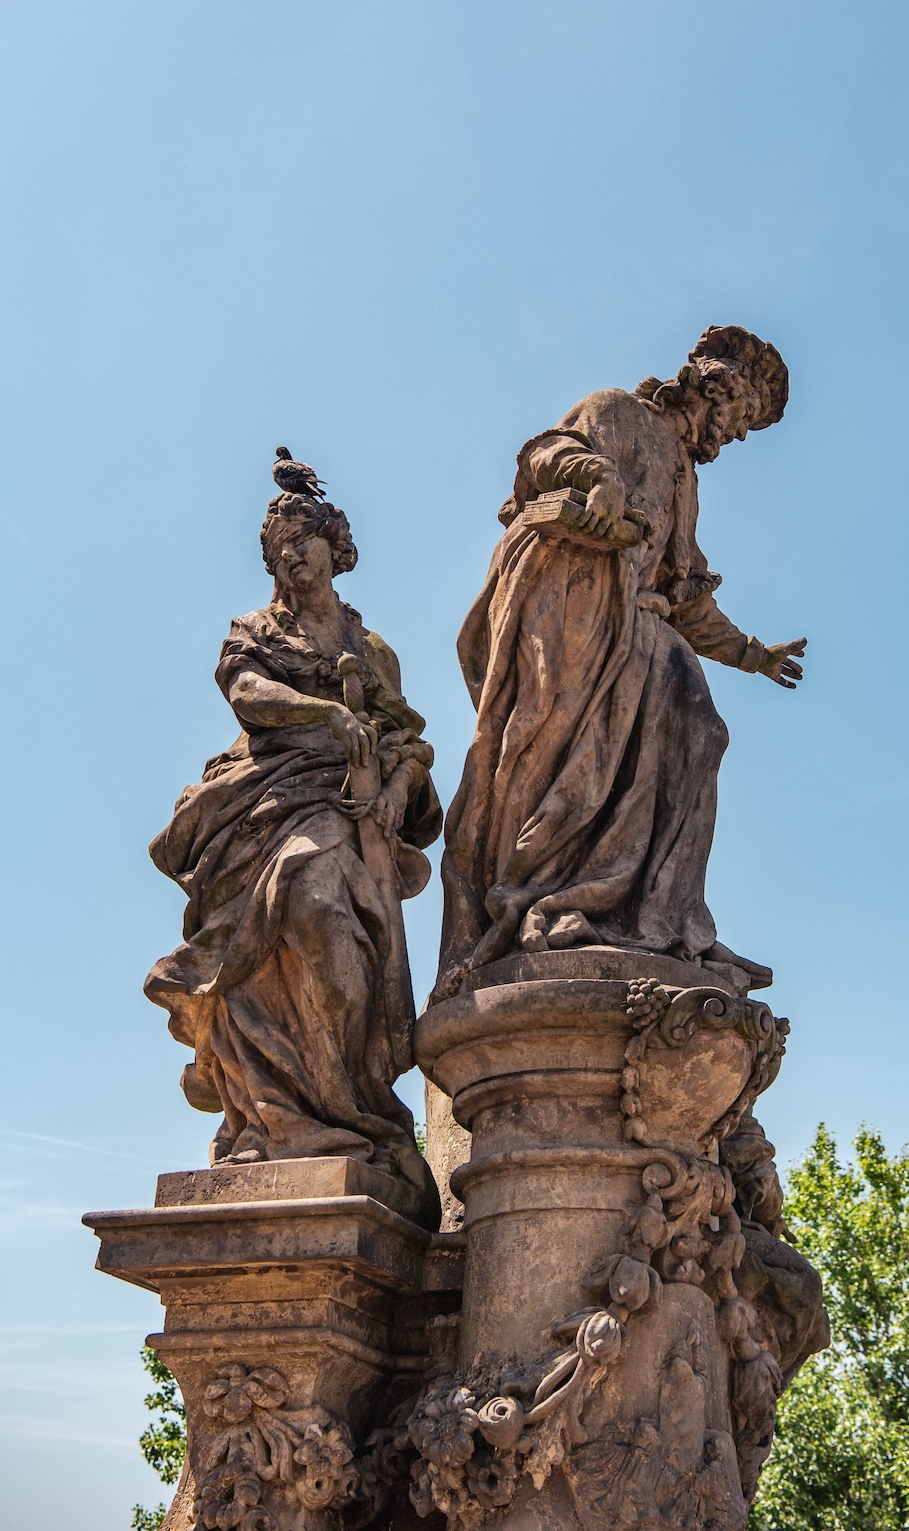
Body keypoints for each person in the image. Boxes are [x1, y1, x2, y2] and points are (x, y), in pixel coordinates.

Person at [437, 325, 805, 994]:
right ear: (713, 386)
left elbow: (685, 593)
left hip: (645, 628)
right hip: (579, 611)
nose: (740, 435)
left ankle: (659, 917)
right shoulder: (614, 411)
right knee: (560, 764)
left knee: (701, 734)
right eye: (742, 415)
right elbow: (545, 453)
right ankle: (552, 898)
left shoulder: (687, 482)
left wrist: (752, 653)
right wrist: (596, 474)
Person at [145, 454, 441, 1225]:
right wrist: (325, 715)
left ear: (333, 547)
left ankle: (350, 1110)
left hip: (348, 804)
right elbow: (246, 692)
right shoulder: (255, 630)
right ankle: (276, 1115)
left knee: (329, 929)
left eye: (303, 542)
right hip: (267, 799)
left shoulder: (370, 651)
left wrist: (397, 782)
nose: (291, 558)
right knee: (295, 913)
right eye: (280, 551)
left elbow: (407, 736)